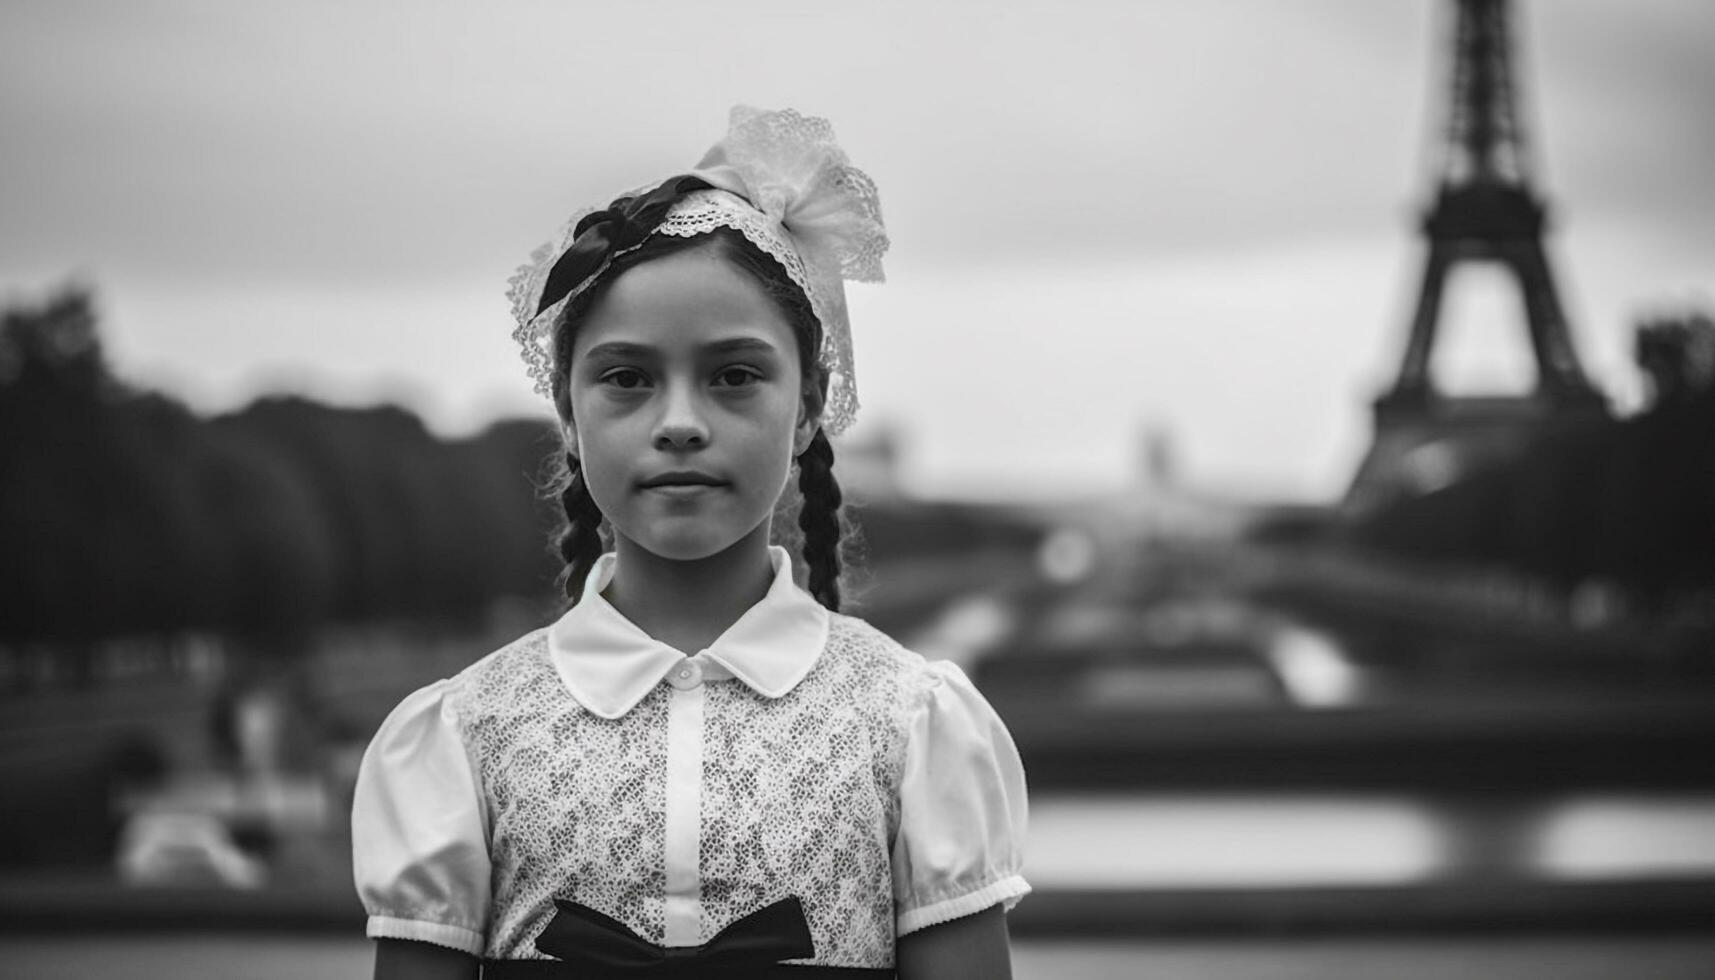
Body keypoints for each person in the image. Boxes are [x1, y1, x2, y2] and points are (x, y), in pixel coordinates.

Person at [352, 106, 1029, 979]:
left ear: (809, 407)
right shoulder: (462, 736)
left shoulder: (910, 726)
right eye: (627, 379)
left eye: (733, 376)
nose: (678, 423)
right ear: (567, 412)